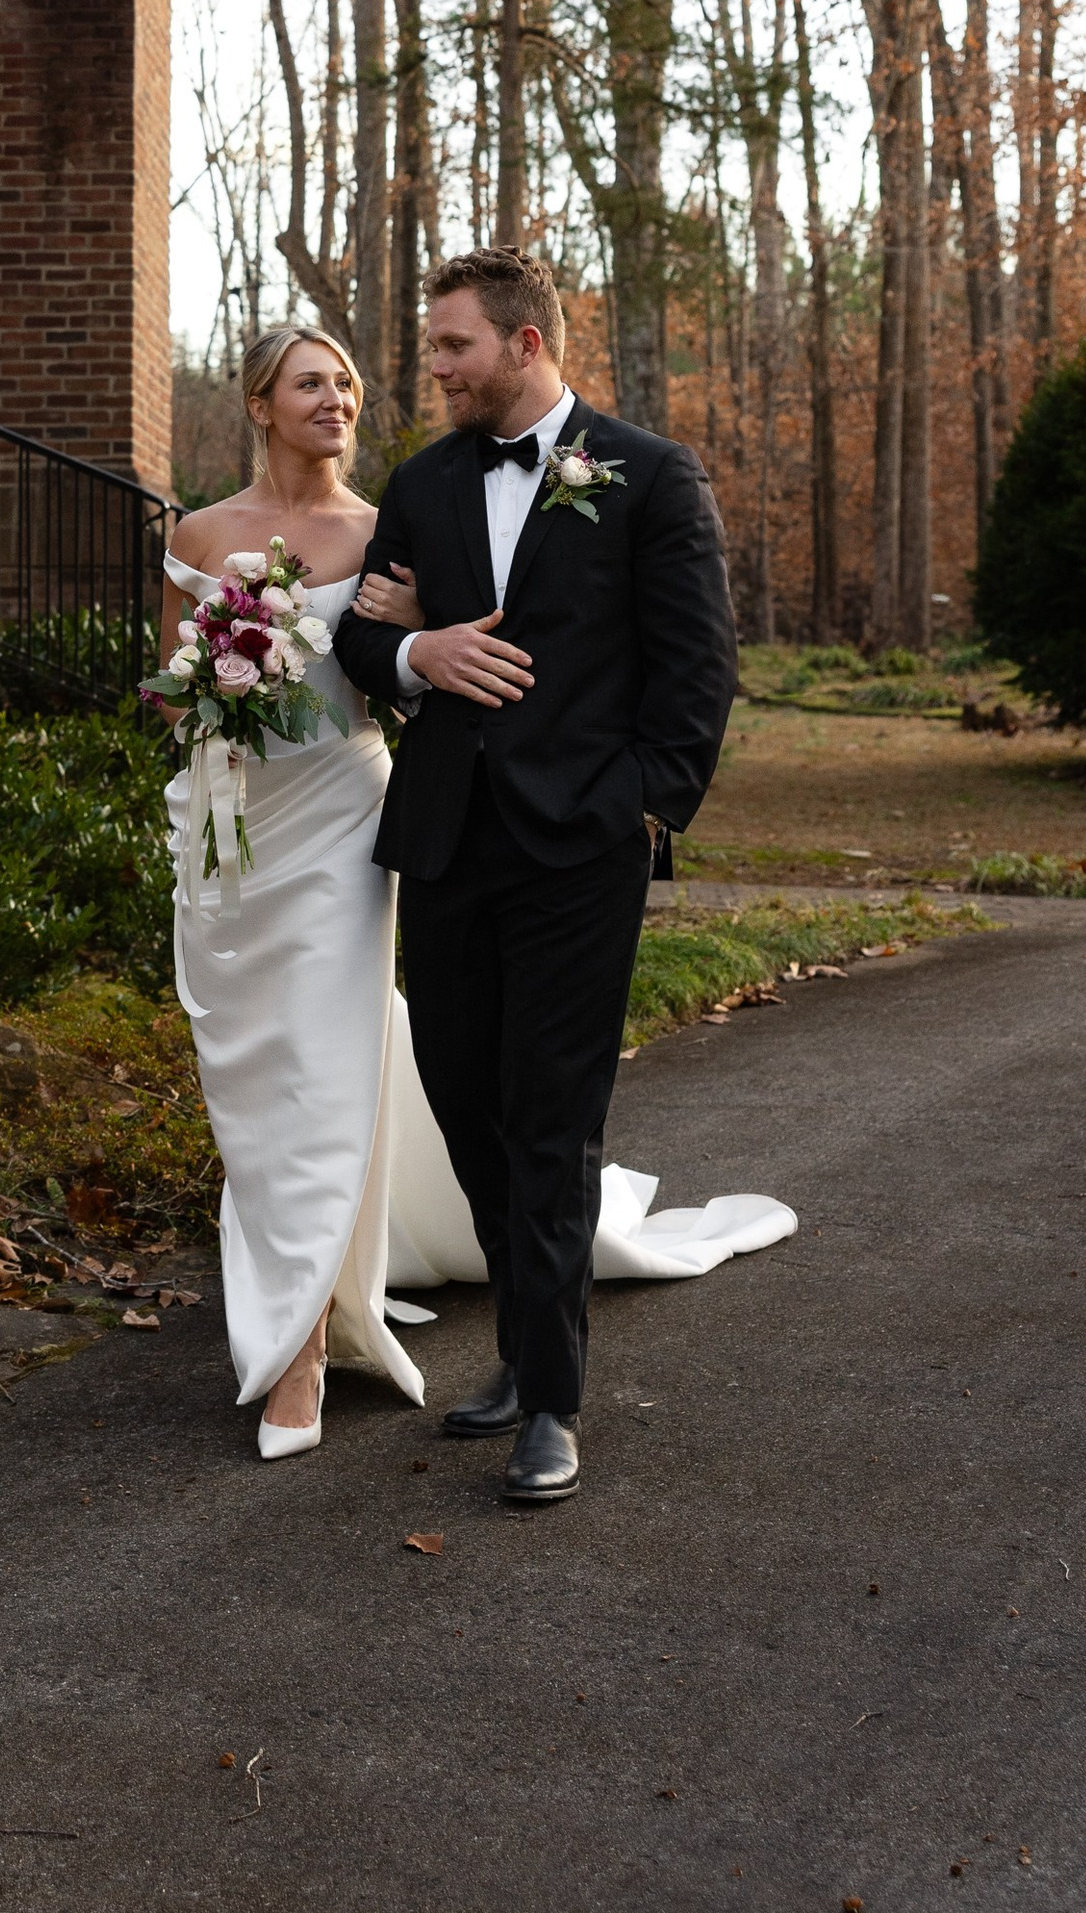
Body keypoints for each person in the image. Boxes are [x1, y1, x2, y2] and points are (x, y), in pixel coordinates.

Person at [334, 244, 738, 1506]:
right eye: (433, 346)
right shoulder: (421, 482)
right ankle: (520, 1343)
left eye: (454, 344)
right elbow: (361, 637)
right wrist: (421, 658)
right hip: (446, 841)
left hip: (580, 850)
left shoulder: (649, 474)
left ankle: (550, 1401)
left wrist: (641, 808)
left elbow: (698, 668)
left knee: (550, 1117)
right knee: (467, 1103)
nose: (437, 367)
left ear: (525, 341)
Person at [160, 321, 427, 1459]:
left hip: (343, 819)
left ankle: (302, 1343)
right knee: (255, 1071)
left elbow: (406, 686)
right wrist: (209, 692)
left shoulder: (382, 532)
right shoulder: (199, 533)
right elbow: (168, 689)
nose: (337, 400)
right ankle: (320, 1255)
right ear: (259, 402)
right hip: (232, 824)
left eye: (347, 384)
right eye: (311, 383)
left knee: (321, 1059)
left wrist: (410, 636)